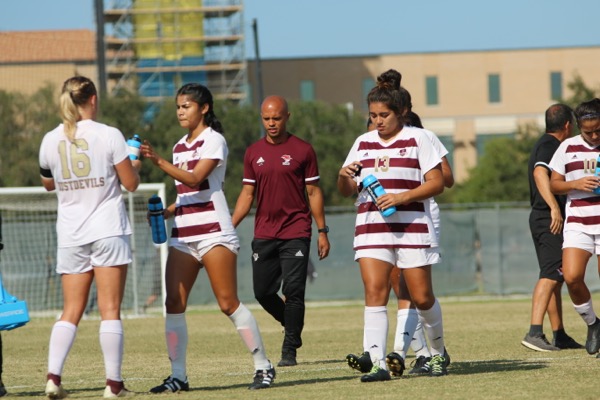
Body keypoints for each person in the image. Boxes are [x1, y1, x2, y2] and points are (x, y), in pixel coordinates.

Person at [140, 83, 276, 392]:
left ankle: (263, 366)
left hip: (214, 231)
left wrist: (157, 161)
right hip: (184, 233)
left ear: (204, 108)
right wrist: (167, 212)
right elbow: (188, 193)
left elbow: (196, 177)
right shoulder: (178, 146)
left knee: (227, 303)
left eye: (186, 106)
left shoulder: (214, 140)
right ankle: (178, 376)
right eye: (178, 106)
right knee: (173, 302)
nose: (180, 111)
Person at [338, 69, 447, 382]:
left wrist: (402, 196)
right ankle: (376, 362)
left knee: (422, 296)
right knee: (374, 291)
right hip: (372, 227)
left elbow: (437, 182)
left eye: (384, 115)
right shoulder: (362, 142)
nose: (377, 121)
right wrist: (344, 175)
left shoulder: (420, 138)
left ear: (402, 112)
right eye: (372, 115)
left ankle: (438, 354)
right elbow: (346, 190)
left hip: (413, 226)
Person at [38, 75, 141, 398]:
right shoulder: (109, 135)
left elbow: (48, 183)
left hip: (71, 233)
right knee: (110, 309)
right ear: (93, 99)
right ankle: (113, 385)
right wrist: (133, 163)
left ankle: (53, 377)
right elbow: (132, 183)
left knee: (70, 310)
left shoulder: (49, 139)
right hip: (107, 229)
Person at [231, 95, 330, 367]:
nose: (271, 123)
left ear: (287, 116)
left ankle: (289, 350)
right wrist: (229, 226)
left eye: (276, 118)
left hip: (296, 230)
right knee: (262, 292)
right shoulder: (253, 152)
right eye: (266, 118)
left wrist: (322, 230)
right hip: (264, 232)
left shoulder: (303, 150)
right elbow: (247, 194)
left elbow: (313, 191)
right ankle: (292, 325)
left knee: (294, 291)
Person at [522, 103, 582, 352]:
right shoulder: (550, 145)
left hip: (543, 217)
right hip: (548, 218)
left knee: (555, 275)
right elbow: (539, 173)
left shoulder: (545, 143)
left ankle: (559, 334)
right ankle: (534, 332)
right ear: (568, 125)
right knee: (550, 274)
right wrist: (555, 208)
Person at [549, 97, 600, 357]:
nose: (592, 135)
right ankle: (593, 323)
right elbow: (554, 183)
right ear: (578, 126)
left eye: (597, 130)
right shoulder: (568, 147)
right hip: (578, 222)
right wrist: (576, 184)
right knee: (571, 276)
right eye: (587, 131)